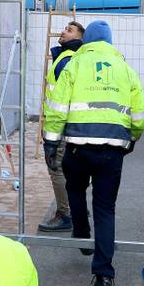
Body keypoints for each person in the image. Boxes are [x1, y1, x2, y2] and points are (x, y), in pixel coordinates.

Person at [42, 20, 144, 286]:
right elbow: (140, 116)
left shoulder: (75, 65)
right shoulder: (125, 69)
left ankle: (80, 230)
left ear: (87, 40)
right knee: (105, 209)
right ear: (110, 42)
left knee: (75, 188)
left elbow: (57, 108)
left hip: (78, 146)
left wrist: (51, 142)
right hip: (112, 150)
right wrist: (132, 139)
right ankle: (104, 276)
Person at [39, 20, 84, 232]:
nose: (64, 31)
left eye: (70, 30)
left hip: (60, 127)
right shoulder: (65, 56)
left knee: (56, 169)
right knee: (66, 170)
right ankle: (75, 208)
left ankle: (66, 213)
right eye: (65, 28)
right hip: (60, 124)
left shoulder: (68, 59)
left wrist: (53, 133)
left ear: (80, 38)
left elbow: (63, 99)